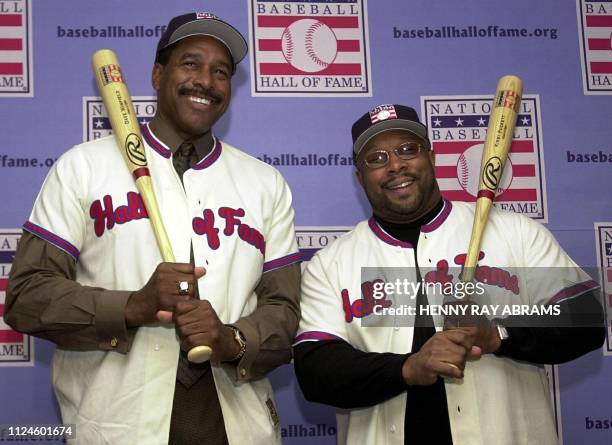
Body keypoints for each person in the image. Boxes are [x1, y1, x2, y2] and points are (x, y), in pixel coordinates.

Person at [5, 12, 301, 445]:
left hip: (236, 426)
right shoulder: (84, 166)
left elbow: (285, 312)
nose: (206, 80)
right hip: (116, 425)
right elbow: (27, 296)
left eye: (221, 72)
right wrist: (132, 306)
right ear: (158, 75)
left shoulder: (265, 184)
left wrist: (231, 339)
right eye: (191, 64)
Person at [293, 104, 605, 445]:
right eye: (377, 158)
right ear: (359, 177)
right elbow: (315, 372)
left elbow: (586, 319)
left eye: (407, 150)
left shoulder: (513, 232)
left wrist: (498, 335)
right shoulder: (331, 263)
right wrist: (409, 368)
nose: (396, 165)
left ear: (432, 156)